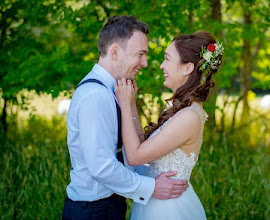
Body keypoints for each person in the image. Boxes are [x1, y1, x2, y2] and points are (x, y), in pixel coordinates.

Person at [62, 15, 189, 219]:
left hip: (110, 205)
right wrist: (151, 187)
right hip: (93, 211)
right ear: (115, 52)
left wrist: (153, 176)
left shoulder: (113, 90)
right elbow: (102, 167)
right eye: (140, 54)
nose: (145, 63)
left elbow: (121, 154)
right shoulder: (96, 96)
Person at [114, 31, 224, 219]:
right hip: (156, 201)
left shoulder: (189, 116)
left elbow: (134, 156)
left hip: (168, 209)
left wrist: (124, 105)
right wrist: (131, 104)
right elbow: (142, 147)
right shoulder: (183, 110)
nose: (162, 66)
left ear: (188, 68)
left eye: (167, 59)